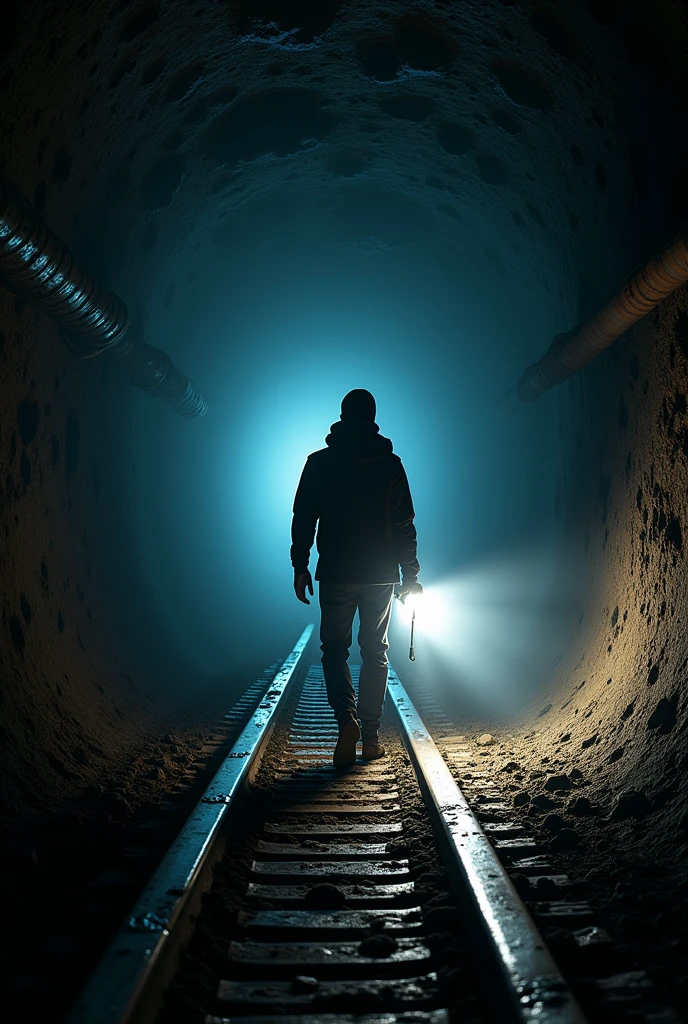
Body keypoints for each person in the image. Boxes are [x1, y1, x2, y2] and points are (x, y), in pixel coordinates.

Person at [290, 389, 422, 769]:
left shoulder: (319, 463)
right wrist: (410, 575)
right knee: (375, 651)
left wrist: (300, 565)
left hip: (336, 571)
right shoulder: (391, 465)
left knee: (334, 650)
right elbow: (404, 524)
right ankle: (371, 737)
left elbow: (304, 517)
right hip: (381, 575)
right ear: (373, 417)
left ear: (342, 416)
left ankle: (345, 719)